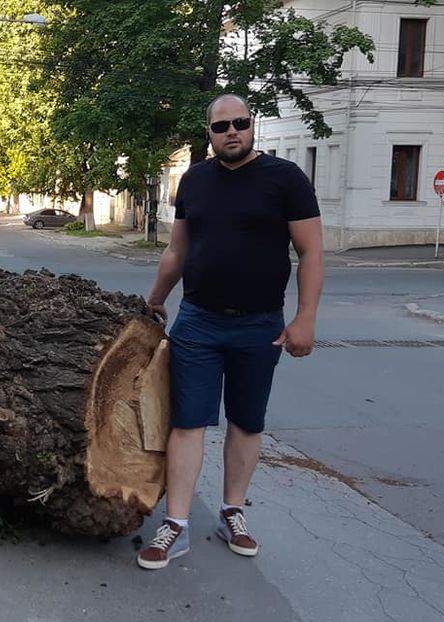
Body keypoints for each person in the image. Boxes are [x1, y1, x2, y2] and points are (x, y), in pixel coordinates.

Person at [136, 93, 324, 570]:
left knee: (246, 421)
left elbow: (312, 253)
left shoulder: (286, 179)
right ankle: (175, 522)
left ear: (252, 125)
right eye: (222, 127)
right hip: (198, 320)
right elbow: (177, 252)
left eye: (240, 123)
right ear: (210, 135)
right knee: (187, 422)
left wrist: (305, 318)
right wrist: (156, 297)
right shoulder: (194, 181)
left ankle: (232, 512)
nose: (232, 132)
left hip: (260, 324)